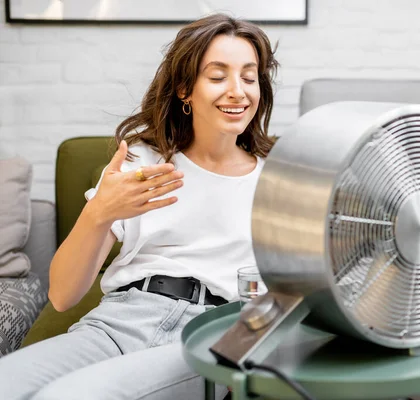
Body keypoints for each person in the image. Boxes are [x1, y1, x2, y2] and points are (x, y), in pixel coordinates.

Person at [0, 13, 279, 400]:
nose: (238, 91)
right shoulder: (140, 163)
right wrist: (100, 212)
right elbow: (63, 295)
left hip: (207, 335)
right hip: (119, 320)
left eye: (249, 78)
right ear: (185, 89)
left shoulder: (278, 179)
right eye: (217, 76)